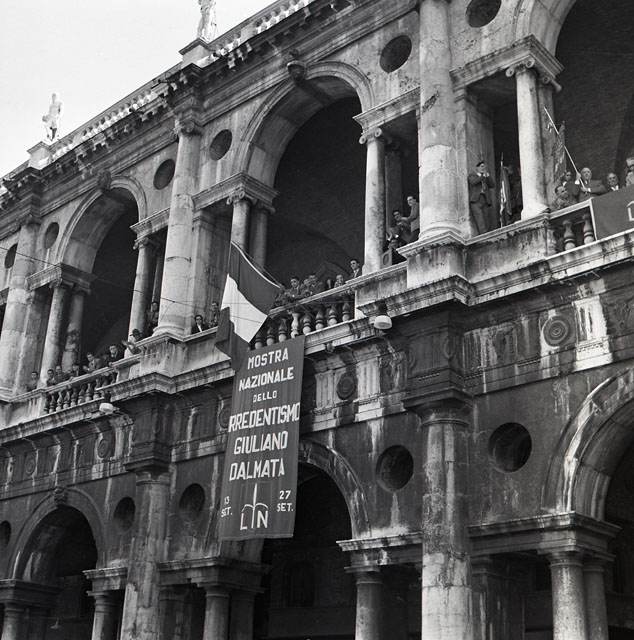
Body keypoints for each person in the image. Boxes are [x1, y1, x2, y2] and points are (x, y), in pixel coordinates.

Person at [468, 161, 495, 234]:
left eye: (484, 167)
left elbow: (492, 185)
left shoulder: (485, 177)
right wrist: (483, 176)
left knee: (486, 217)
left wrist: (488, 177)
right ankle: (483, 233)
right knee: (479, 218)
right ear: (477, 168)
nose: (483, 168)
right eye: (482, 166)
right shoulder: (472, 176)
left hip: (485, 199)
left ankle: (487, 232)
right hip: (476, 200)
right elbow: (473, 182)